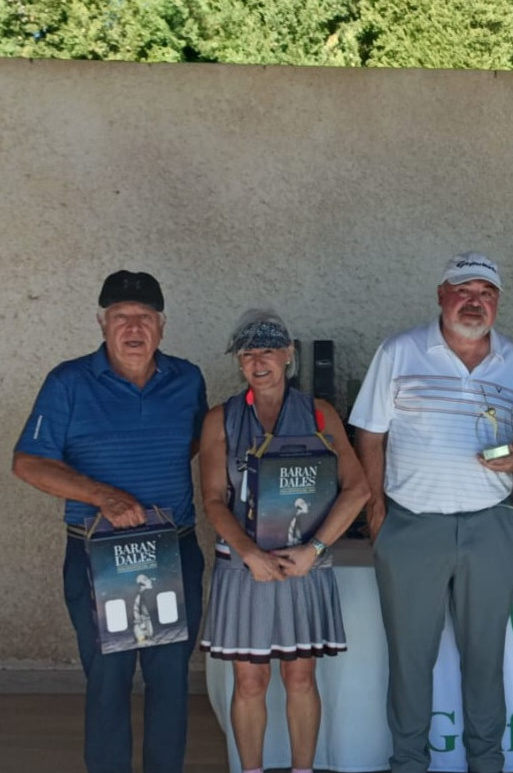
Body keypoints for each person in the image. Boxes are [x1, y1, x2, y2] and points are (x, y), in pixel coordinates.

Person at [12, 270, 207, 773]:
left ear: (162, 325)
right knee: (108, 681)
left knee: (170, 682)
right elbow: (28, 462)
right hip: (97, 555)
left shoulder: (188, 380)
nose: (133, 327)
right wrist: (104, 496)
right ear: (102, 323)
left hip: (172, 549)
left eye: (144, 317)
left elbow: (193, 446)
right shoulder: (68, 382)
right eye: (121, 317)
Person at [350, 252, 513, 773]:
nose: (475, 302)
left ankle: (486, 762)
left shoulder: (512, 360)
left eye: (487, 294)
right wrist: (378, 509)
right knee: (410, 661)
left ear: (497, 303)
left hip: (490, 525)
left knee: (485, 659)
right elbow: (369, 432)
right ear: (441, 295)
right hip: (412, 526)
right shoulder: (400, 351)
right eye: (464, 291)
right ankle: (408, 763)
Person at [198, 308, 370, 773]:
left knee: (300, 675)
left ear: (288, 354)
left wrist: (314, 550)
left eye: (268, 350)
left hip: (304, 562)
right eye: (248, 352)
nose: (258, 361)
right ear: (238, 361)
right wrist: (249, 552)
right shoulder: (221, 419)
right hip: (242, 564)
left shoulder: (319, 413)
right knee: (249, 680)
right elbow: (213, 500)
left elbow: (358, 489)